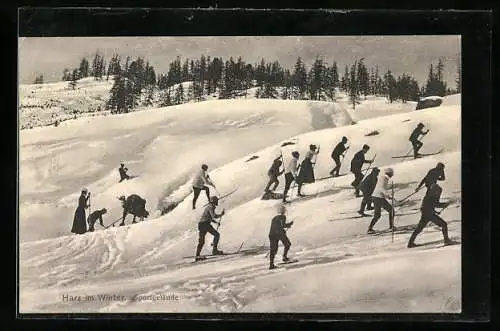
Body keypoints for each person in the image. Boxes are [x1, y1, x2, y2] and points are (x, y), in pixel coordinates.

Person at [408, 183, 457, 248]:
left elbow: (427, 206)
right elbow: (436, 204)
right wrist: (446, 204)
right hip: (429, 214)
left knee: (419, 229)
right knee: (444, 224)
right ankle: (447, 241)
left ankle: (410, 243)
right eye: (439, 192)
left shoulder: (429, 195)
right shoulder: (431, 196)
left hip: (426, 214)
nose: (439, 194)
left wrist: (434, 211)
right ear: (435, 191)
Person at [195, 196, 225, 261]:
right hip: (205, 224)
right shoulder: (211, 207)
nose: (217, 202)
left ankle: (197, 256)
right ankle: (214, 251)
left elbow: (209, 217)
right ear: (214, 201)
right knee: (216, 235)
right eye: (216, 200)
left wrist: (216, 223)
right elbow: (213, 216)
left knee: (202, 241)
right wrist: (221, 214)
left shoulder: (209, 206)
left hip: (203, 224)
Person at [367, 168, 395, 234]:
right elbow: (382, 188)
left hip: (375, 196)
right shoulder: (384, 179)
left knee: (377, 215)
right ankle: (391, 227)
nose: (392, 175)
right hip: (378, 197)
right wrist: (388, 195)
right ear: (390, 174)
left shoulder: (383, 178)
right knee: (391, 210)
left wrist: (387, 196)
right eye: (392, 173)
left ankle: (370, 229)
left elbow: (381, 189)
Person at [268, 204, 294, 270]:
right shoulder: (283, 216)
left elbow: (278, 226)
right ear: (283, 211)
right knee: (287, 244)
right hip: (279, 234)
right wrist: (289, 224)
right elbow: (283, 225)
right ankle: (284, 257)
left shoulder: (274, 217)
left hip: (272, 234)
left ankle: (271, 264)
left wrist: (286, 226)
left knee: (273, 250)